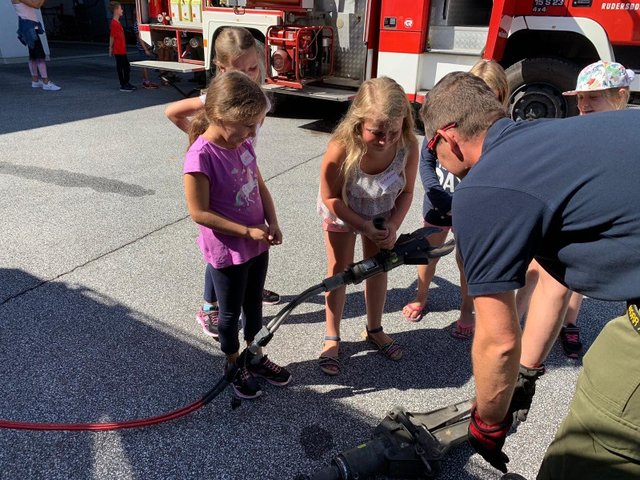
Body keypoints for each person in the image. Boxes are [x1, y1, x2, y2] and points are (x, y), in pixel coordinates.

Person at [421, 71, 640, 479]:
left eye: (433, 150)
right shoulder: (552, 143)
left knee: (589, 448)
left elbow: (498, 341)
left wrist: (487, 422)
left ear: (448, 137)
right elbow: (558, 281)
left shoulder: (484, 189)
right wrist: (527, 374)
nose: (436, 162)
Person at [183, 71, 291, 399]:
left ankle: (255, 355)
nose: (252, 132)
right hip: (228, 250)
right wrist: (246, 230)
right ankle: (233, 364)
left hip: (257, 243)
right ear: (218, 115)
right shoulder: (200, 156)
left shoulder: (242, 145)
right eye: (247, 125)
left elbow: (259, 185)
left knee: (254, 305)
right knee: (230, 315)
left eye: (256, 124)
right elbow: (198, 212)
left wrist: (272, 221)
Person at [166, 27, 280, 339]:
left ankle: (244, 288)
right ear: (222, 69)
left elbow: (257, 175)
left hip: (241, 172)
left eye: (253, 68)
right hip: (228, 211)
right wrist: (202, 142)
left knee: (244, 280)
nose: (248, 75)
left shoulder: (248, 118)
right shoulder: (212, 129)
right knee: (220, 259)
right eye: (239, 70)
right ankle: (210, 306)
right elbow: (173, 112)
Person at [515, 60, 633, 359]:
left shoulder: (629, 134)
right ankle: (513, 323)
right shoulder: (573, 128)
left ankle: (569, 323)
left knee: (574, 278)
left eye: (594, 97)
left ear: (620, 97)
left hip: (598, 218)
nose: (584, 105)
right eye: (580, 98)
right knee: (536, 270)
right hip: (563, 214)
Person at [317, 77, 419, 376]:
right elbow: (330, 196)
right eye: (376, 132)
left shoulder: (408, 145)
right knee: (339, 270)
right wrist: (360, 224)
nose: (386, 139)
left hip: (381, 212)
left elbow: (409, 191)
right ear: (358, 122)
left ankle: (374, 328)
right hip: (343, 210)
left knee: (379, 268)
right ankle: (332, 335)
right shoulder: (341, 148)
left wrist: (394, 225)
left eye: (393, 130)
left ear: (404, 122)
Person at [403, 60, 508, 341]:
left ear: (501, 95)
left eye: (492, 94)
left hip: (472, 210)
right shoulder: (445, 122)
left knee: (466, 262)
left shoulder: (501, 131)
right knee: (428, 255)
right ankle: (421, 297)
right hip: (439, 204)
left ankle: (466, 310)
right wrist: (436, 194)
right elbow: (426, 162)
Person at [11, 0, 61, 91]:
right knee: (39, 54)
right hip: (29, 26)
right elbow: (36, 5)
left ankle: (35, 80)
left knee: (33, 55)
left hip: (27, 25)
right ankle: (46, 82)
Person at [109, 1, 136, 92]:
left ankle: (126, 83)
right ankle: (123, 84)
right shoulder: (114, 23)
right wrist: (110, 48)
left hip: (122, 49)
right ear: (116, 10)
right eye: (121, 8)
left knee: (126, 67)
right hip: (118, 50)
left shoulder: (117, 22)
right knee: (122, 67)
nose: (122, 10)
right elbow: (112, 36)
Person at [133, 21, 159, 89]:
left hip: (146, 47)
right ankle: (146, 82)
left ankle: (147, 81)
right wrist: (146, 49)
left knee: (146, 65)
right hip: (143, 48)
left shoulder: (142, 22)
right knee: (144, 65)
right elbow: (139, 38)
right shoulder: (137, 24)